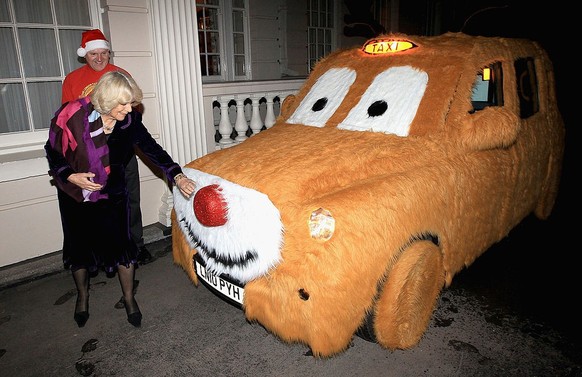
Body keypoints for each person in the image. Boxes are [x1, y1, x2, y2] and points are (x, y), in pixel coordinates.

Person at [45, 71, 196, 328]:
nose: (130, 108)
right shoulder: (71, 115)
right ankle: (82, 297)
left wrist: (177, 175)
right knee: (80, 249)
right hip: (76, 197)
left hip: (113, 194)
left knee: (124, 247)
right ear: (105, 100)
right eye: (123, 103)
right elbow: (52, 150)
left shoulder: (129, 121)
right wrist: (70, 176)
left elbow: (151, 148)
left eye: (131, 102)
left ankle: (129, 299)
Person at [62, 29, 153, 265]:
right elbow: (67, 118)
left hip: (121, 150)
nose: (100, 58)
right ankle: (100, 251)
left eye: (104, 53)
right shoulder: (72, 80)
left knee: (129, 198)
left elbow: (133, 110)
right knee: (97, 203)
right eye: (94, 54)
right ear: (85, 55)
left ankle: (136, 245)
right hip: (89, 153)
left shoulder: (121, 74)